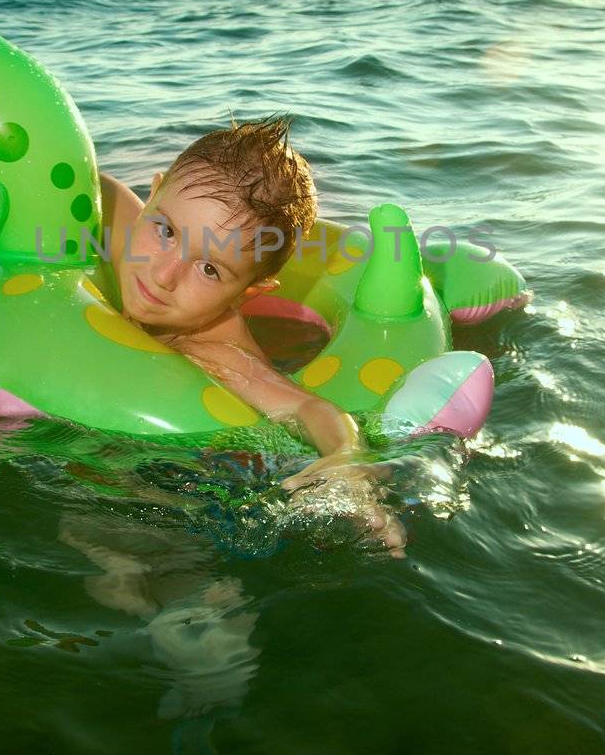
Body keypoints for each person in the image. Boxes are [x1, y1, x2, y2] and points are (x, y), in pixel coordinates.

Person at [93, 117, 407, 556]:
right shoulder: (123, 224)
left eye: (209, 269)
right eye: (165, 231)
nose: (163, 276)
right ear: (154, 193)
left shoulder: (215, 347)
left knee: (115, 551)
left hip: (183, 482)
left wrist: (347, 460)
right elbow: (93, 183)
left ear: (249, 292)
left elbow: (309, 407)